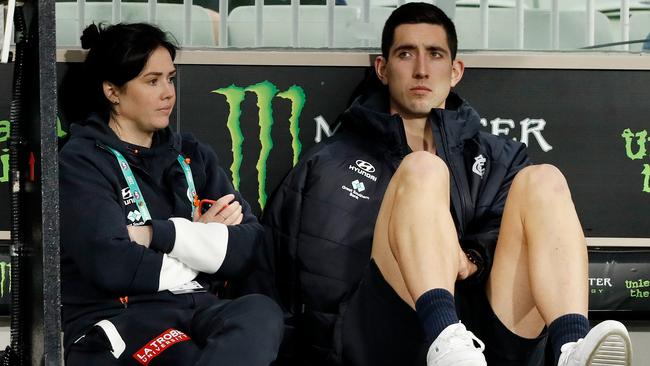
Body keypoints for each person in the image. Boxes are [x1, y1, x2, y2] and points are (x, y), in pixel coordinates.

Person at [254, 3, 633, 366]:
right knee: (422, 169)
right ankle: (445, 337)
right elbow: (278, 277)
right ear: (382, 69)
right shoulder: (327, 163)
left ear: (455, 71)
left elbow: (504, 235)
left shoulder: (502, 158)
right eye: (406, 54)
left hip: (491, 339)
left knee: (545, 180)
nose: (421, 70)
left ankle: (572, 348)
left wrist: (471, 260)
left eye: (435, 54)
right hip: (385, 339)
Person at [59, 22, 283, 365]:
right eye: (152, 81)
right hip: (123, 319)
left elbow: (249, 246)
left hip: (197, 308)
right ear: (112, 91)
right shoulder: (81, 160)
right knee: (185, 355)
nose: (168, 92)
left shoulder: (193, 154)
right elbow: (111, 264)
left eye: (170, 78)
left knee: (259, 312)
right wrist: (204, 247)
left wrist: (157, 234)